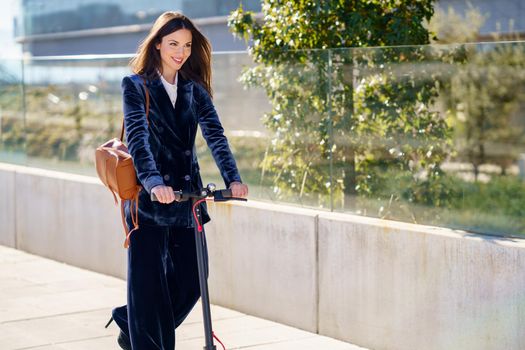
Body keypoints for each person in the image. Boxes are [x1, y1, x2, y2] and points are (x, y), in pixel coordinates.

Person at [105, 11, 248, 350]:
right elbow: (137, 138)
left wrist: (234, 178)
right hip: (150, 200)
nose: (181, 52)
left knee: (191, 281)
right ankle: (145, 337)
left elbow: (215, 135)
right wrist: (154, 182)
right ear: (157, 45)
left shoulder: (194, 89)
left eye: (186, 45)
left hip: (187, 199)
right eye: (173, 44)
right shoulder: (136, 85)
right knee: (148, 286)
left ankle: (131, 319)